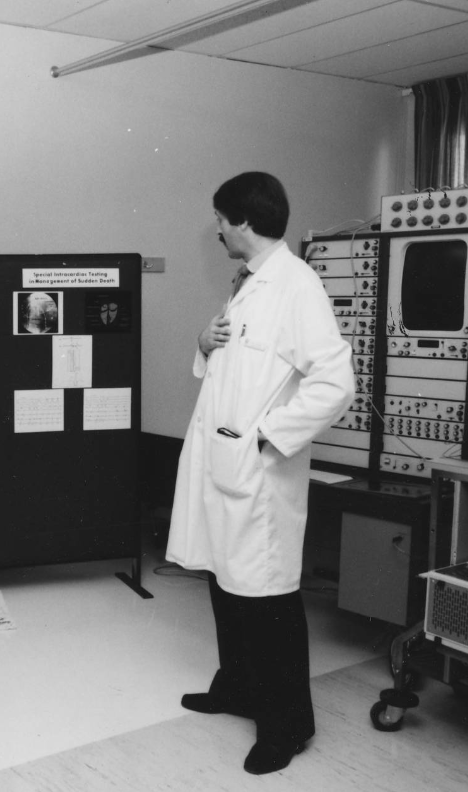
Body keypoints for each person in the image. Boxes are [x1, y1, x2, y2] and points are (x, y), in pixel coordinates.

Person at [166, 172, 355, 775]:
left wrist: (269, 438)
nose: (217, 229)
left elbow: (334, 383)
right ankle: (238, 688)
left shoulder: (296, 286)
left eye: (221, 219)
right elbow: (234, 366)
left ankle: (287, 725)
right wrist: (203, 342)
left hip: (259, 474)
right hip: (228, 467)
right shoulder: (249, 284)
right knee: (227, 585)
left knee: (267, 598)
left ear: (242, 220)